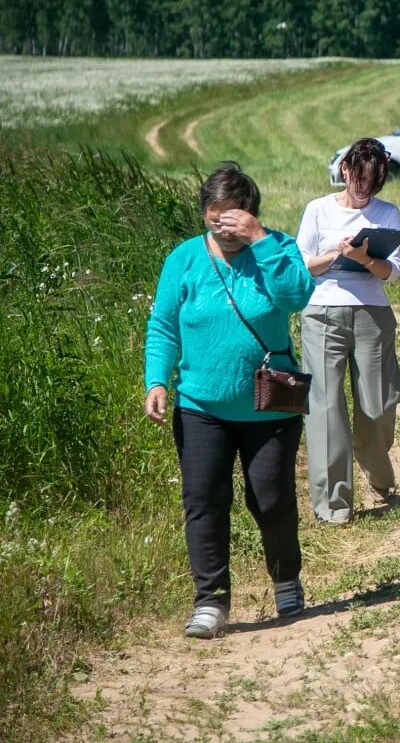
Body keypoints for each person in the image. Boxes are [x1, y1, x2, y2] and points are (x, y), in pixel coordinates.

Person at [144, 163, 315, 639]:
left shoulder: (275, 247)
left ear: (250, 214)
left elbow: (297, 295)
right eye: (215, 217)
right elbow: (163, 325)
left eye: (234, 218)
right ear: (204, 214)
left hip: (270, 406)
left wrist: (260, 239)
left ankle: (285, 581)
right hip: (201, 406)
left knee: (271, 498)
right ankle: (211, 602)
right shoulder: (184, 259)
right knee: (204, 501)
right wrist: (157, 380)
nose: (224, 227)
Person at [296, 138, 400, 526]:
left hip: (372, 313)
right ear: (345, 170)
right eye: (358, 179)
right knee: (326, 409)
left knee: (377, 404)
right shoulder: (318, 209)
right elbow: (302, 264)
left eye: (372, 183)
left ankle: (378, 470)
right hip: (322, 311)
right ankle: (334, 505)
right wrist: (338, 256)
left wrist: (366, 260)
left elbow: (394, 272)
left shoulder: (388, 213)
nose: (363, 189)